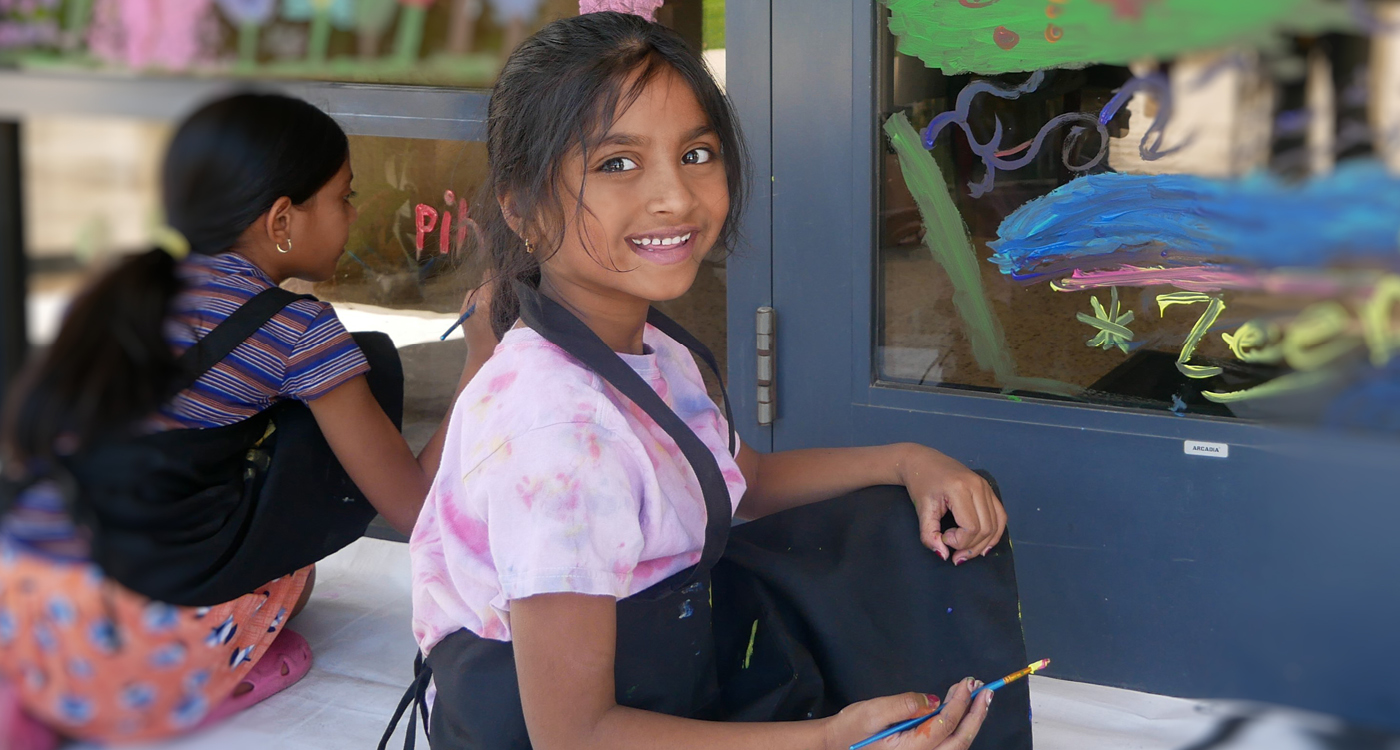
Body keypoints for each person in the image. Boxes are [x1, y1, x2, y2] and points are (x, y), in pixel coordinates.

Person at [401, 12, 1031, 750]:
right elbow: (574, 734)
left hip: (662, 676)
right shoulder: (559, 440)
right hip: (568, 731)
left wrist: (908, 461)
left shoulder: (651, 349)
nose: (676, 196)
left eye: (696, 152)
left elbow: (743, 479)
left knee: (895, 517)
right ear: (522, 208)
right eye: (617, 163)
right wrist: (828, 741)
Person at [0, 92, 496, 746]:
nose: (351, 213)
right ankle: (194, 679)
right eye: (344, 197)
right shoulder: (296, 330)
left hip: (29, 593)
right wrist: (480, 358)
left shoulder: (127, 285)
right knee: (300, 561)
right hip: (132, 644)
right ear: (283, 219)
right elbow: (414, 511)